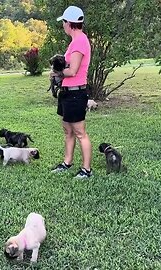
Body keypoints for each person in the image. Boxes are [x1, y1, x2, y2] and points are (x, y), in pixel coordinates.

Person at [50, 6, 92, 178]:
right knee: (68, 130)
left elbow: (73, 70)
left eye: (64, 22)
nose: (63, 26)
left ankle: (86, 170)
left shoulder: (80, 41)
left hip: (76, 94)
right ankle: (67, 163)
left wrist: (55, 72)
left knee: (80, 133)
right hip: (67, 93)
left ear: (69, 23)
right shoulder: (74, 42)